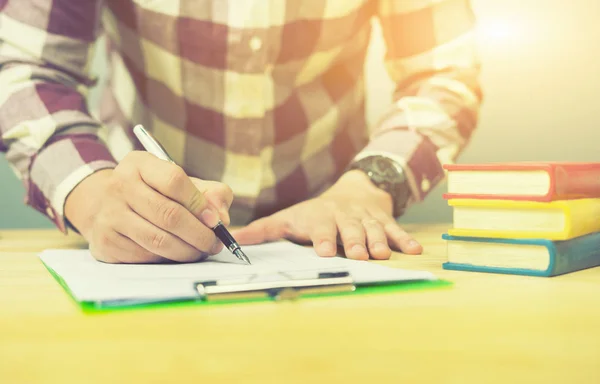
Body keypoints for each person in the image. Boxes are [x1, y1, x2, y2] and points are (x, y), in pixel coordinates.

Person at [0, 0, 482, 264]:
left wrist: (371, 184)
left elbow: (442, 74)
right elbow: (25, 69)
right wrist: (92, 194)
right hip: (139, 231)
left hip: (334, 232)